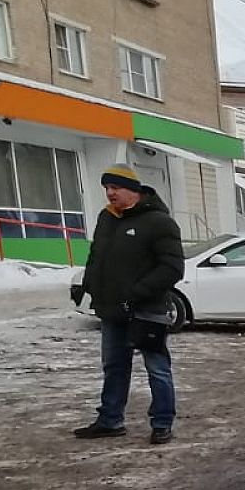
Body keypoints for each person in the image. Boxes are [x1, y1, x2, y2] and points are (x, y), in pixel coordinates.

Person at [73, 165, 183, 445]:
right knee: (114, 366)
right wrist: (89, 285)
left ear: (133, 190)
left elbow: (172, 268)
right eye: (106, 188)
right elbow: (97, 256)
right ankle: (110, 421)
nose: (110, 193)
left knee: (157, 368)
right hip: (112, 309)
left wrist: (137, 292)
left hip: (148, 309)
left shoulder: (159, 222)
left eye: (115, 188)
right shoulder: (107, 219)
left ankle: (162, 423)